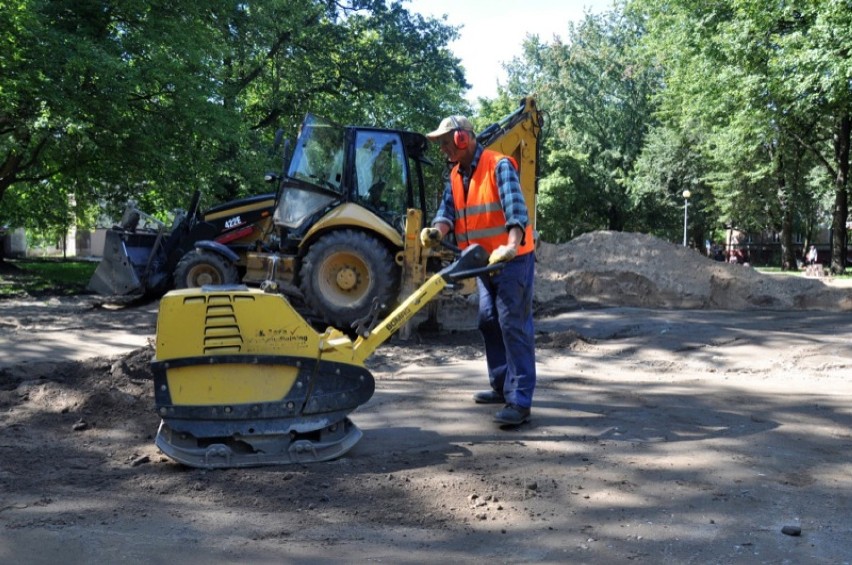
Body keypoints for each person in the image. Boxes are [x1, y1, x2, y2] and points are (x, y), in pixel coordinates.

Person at [420, 115, 536, 426]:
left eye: (447, 142)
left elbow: (516, 210)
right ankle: (501, 386)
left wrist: (512, 244)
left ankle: (520, 401)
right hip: (485, 263)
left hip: (512, 259)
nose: (444, 149)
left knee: (514, 326)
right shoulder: (456, 175)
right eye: (442, 144)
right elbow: (448, 211)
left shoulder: (498, 166)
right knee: (488, 321)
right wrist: (437, 231)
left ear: (463, 138)